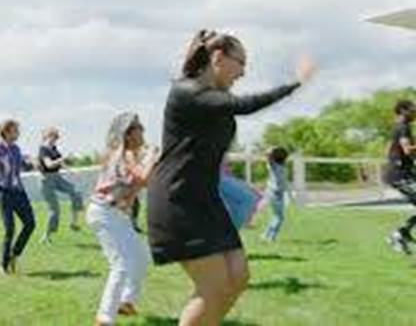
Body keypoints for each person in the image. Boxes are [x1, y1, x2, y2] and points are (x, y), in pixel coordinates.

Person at [147, 29, 315, 326]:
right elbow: (245, 106)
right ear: (218, 57)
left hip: (205, 200)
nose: (244, 71)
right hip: (178, 200)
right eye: (241, 62)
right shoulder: (187, 91)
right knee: (213, 288)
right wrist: (296, 83)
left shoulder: (215, 98)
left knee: (237, 277)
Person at [87, 112, 158, 326]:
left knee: (141, 256)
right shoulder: (124, 154)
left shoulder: (128, 155)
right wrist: (152, 155)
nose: (143, 130)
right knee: (121, 264)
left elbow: (139, 181)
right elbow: (144, 179)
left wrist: (148, 159)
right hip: (106, 213)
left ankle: (126, 302)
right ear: (128, 135)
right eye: (139, 127)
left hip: (116, 215)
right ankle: (104, 318)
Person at [0, 119, 36, 274]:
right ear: (6, 132)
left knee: (30, 223)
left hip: (19, 191)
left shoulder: (16, 149)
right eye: (15, 130)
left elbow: (22, 166)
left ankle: (15, 254)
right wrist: (0, 160)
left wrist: (31, 162)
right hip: (4, 192)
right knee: (9, 230)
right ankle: (3, 266)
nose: (18, 133)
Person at [37, 127, 83, 244]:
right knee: (54, 210)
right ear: (47, 136)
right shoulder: (43, 150)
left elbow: (61, 163)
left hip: (57, 177)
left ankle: (74, 223)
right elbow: (49, 164)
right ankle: (46, 236)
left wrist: (72, 171)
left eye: (56, 137)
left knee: (76, 191)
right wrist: (63, 158)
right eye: (53, 136)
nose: (55, 139)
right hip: (46, 180)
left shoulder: (54, 149)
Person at [385, 100, 416, 254]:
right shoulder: (403, 128)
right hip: (400, 175)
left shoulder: (399, 127)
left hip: (403, 173)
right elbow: (407, 150)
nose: (415, 113)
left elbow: (389, 150)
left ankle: (402, 233)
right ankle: (398, 234)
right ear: (403, 111)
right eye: (413, 110)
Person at [261, 147, 290, 242]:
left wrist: (272, 150)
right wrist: (272, 151)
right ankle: (271, 237)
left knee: (276, 215)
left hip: (274, 193)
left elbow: (268, 155)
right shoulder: (276, 167)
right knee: (279, 217)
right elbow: (267, 155)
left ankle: (266, 234)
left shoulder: (276, 166)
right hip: (276, 193)